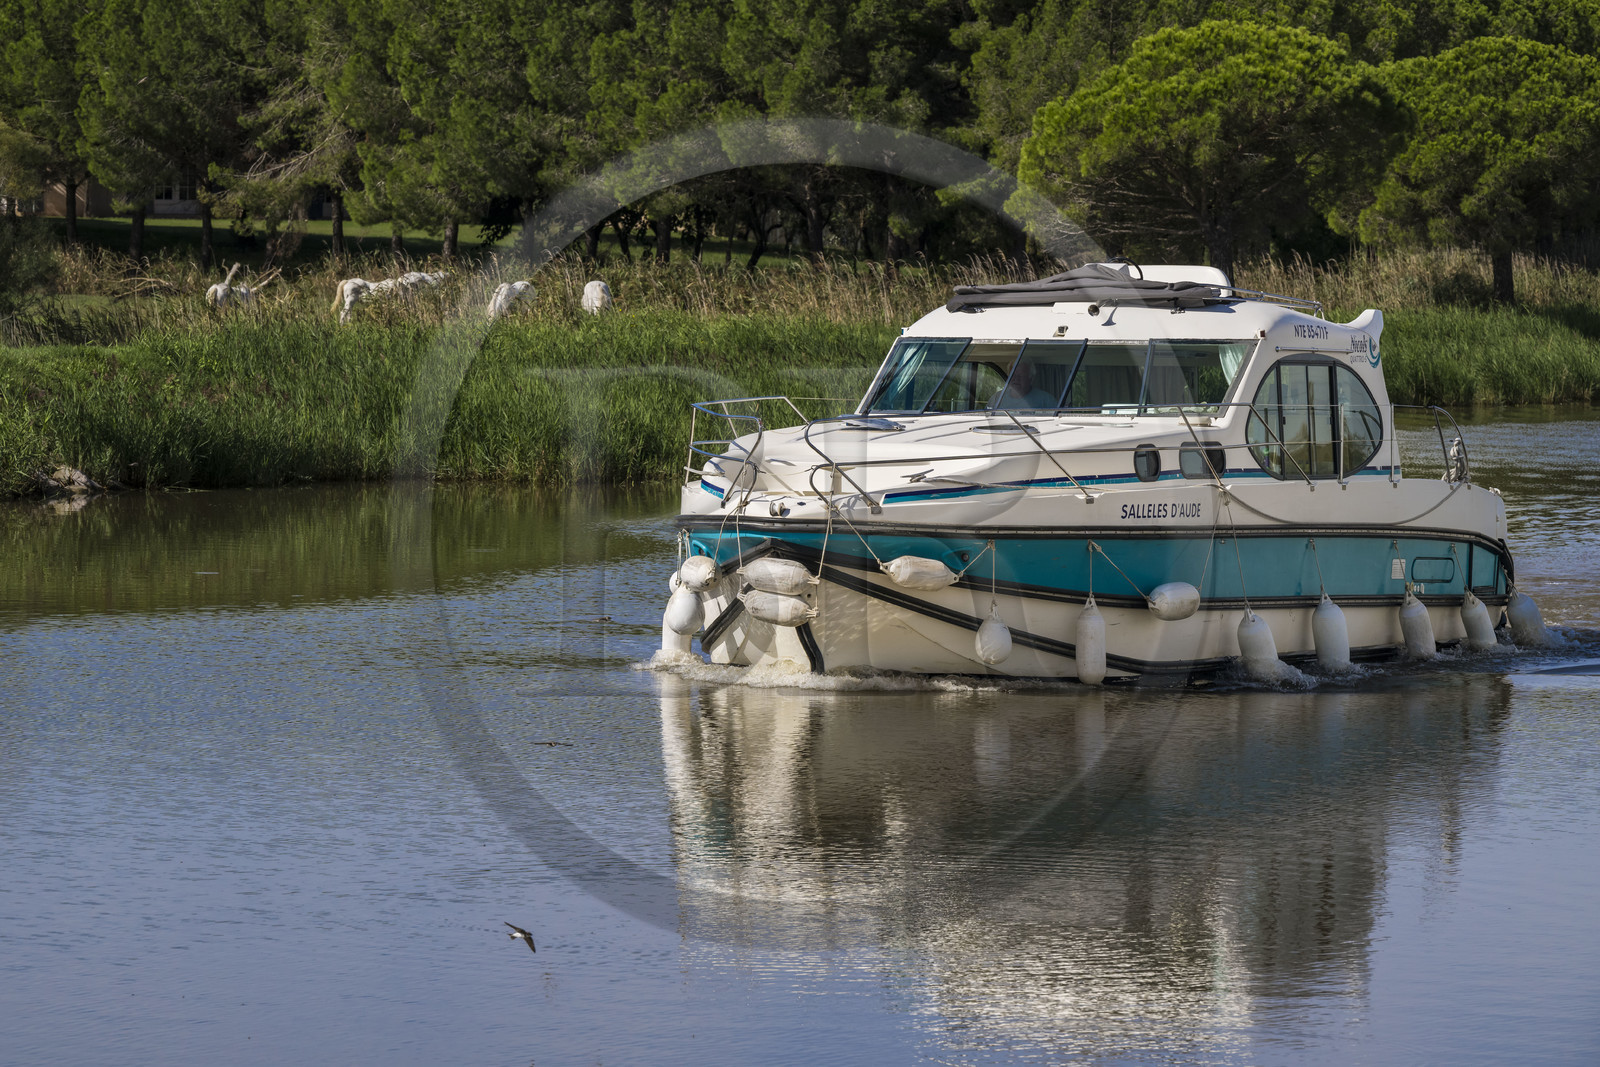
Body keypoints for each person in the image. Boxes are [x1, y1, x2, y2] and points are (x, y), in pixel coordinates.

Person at [991, 358, 1056, 409]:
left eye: (1021, 375)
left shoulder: (1046, 400)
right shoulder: (996, 399)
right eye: (1013, 375)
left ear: (1031, 378)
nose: (1016, 379)